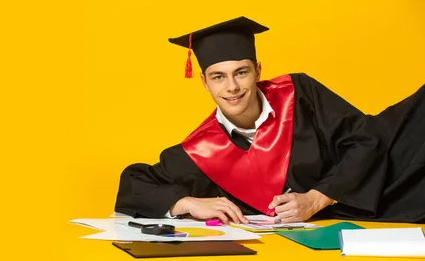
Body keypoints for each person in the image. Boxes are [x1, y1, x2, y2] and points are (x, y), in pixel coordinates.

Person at [114, 16, 425, 224]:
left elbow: (365, 139)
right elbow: (134, 183)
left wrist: (316, 199)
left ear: (258, 71)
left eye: (241, 72)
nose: (232, 87)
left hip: (380, 188)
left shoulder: (300, 93)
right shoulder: (199, 150)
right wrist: (186, 203)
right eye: (218, 77)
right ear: (204, 83)